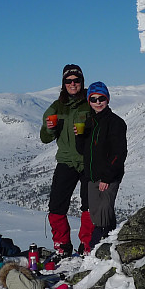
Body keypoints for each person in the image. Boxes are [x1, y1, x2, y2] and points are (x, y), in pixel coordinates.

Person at [40, 64, 94, 256]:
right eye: (68, 81)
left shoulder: (91, 101)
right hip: (66, 161)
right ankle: (62, 245)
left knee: (90, 204)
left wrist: (88, 129)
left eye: (76, 80)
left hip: (88, 161)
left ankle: (88, 244)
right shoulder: (57, 106)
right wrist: (49, 128)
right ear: (63, 84)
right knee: (56, 205)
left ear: (82, 82)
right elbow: (45, 138)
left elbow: (104, 125)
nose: (73, 84)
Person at [75, 81, 127, 253]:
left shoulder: (116, 123)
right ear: (89, 101)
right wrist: (79, 137)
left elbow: (118, 153)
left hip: (108, 177)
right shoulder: (89, 123)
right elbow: (82, 150)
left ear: (108, 99)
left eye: (101, 98)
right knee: (96, 214)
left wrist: (107, 177)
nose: (98, 102)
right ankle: (107, 246)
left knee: (104, 212)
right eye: (94, 99)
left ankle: (100, 247)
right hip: (91, 176)